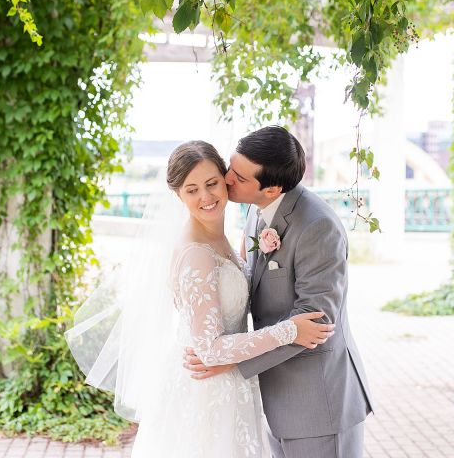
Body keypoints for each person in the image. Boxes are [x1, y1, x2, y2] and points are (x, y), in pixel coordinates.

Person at [66, 140, 334, 458]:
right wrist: (289, 330)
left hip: (232, 384)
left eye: (211, 183)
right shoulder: (195, 254)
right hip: (206, 393)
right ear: (178, 195)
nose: (206, 197)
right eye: (192, 190)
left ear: (225, 180)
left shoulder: (224, 234)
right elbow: (209, 349)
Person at [184, 126, 374, 458]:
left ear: (271, 189)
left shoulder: (318, 226)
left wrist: (230, 361)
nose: (227, 179)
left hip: (319, 404)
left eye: (239, 178)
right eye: (231, 167)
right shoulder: (256, 211)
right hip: (275, 399)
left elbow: (317, 322)